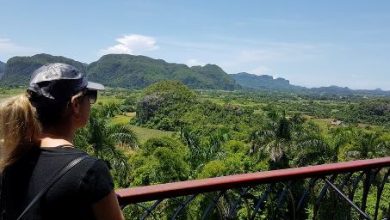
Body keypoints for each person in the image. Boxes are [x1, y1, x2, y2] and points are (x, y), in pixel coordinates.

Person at [0, 63, 124, 220]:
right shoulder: (90, 170)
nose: (91, 103)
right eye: (90, 96)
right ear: (76, 105)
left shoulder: (11, 159)